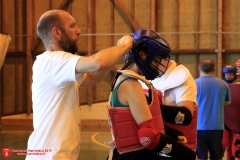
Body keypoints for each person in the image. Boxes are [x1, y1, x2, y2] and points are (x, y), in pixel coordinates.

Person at [25, 10, 134, 160]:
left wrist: (115, 57)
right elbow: (97, 63)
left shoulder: (55, 64)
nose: (79, 31)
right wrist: (124, 47)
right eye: (72, 26)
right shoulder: (54, 61)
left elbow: (90, 79)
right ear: (57, 32)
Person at [107, 28, 196, 160]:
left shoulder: (121, 78)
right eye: (156, 61)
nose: (157, 66)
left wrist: (173, 134)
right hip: (134, 156)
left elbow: (136, 122)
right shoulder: (131, 84)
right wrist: (188, 155)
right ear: (142, 55)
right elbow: (149, 135)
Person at [195, 58, 231, 160]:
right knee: (217, 156)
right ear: (214, 70)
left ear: (199, 69)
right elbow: (228, 101)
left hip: (199, 126)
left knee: (201, 157)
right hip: (217, 126)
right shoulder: (223, 84)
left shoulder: (194, 84)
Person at [222, 65, 240, 160]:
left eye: (230, 74)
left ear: (234, 75)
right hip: (225, 118)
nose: (228, 76)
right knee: (227, 143)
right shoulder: (221, 86)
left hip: (234, 118)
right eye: (227, 74)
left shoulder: (237, 86)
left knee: (235, 143)